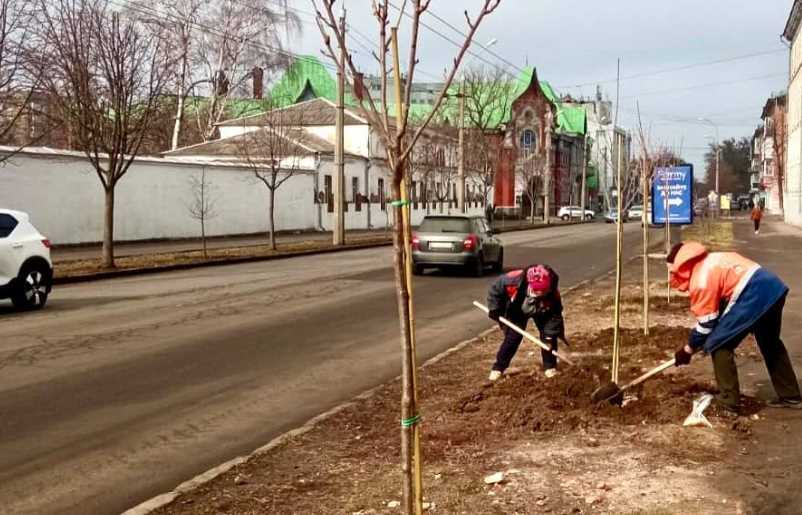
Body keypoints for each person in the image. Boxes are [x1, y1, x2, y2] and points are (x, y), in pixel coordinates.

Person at [667, 241, 802, 413]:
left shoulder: (701, 278)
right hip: (773, 289)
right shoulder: (713, 258)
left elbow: (706, 325)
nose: (672, 277)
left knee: (719, 344)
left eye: (672, 272)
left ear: (682, 266)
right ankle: (791, 396)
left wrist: (687, 350)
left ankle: (728, 402)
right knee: (770, 343)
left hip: (753, 293)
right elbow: (722, 308)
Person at [485, 264, 565, 381]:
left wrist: (549, 336)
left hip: (543, 311)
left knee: (549, 338)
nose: (543, 293)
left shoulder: (552, 293)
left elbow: (554, 316)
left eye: (545, 290)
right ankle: (498, 368)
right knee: (513, 338)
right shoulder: (512, 279)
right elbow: (494, 291)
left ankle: (550, 367)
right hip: (517, 309)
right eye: (539, 291)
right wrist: (494, 309)